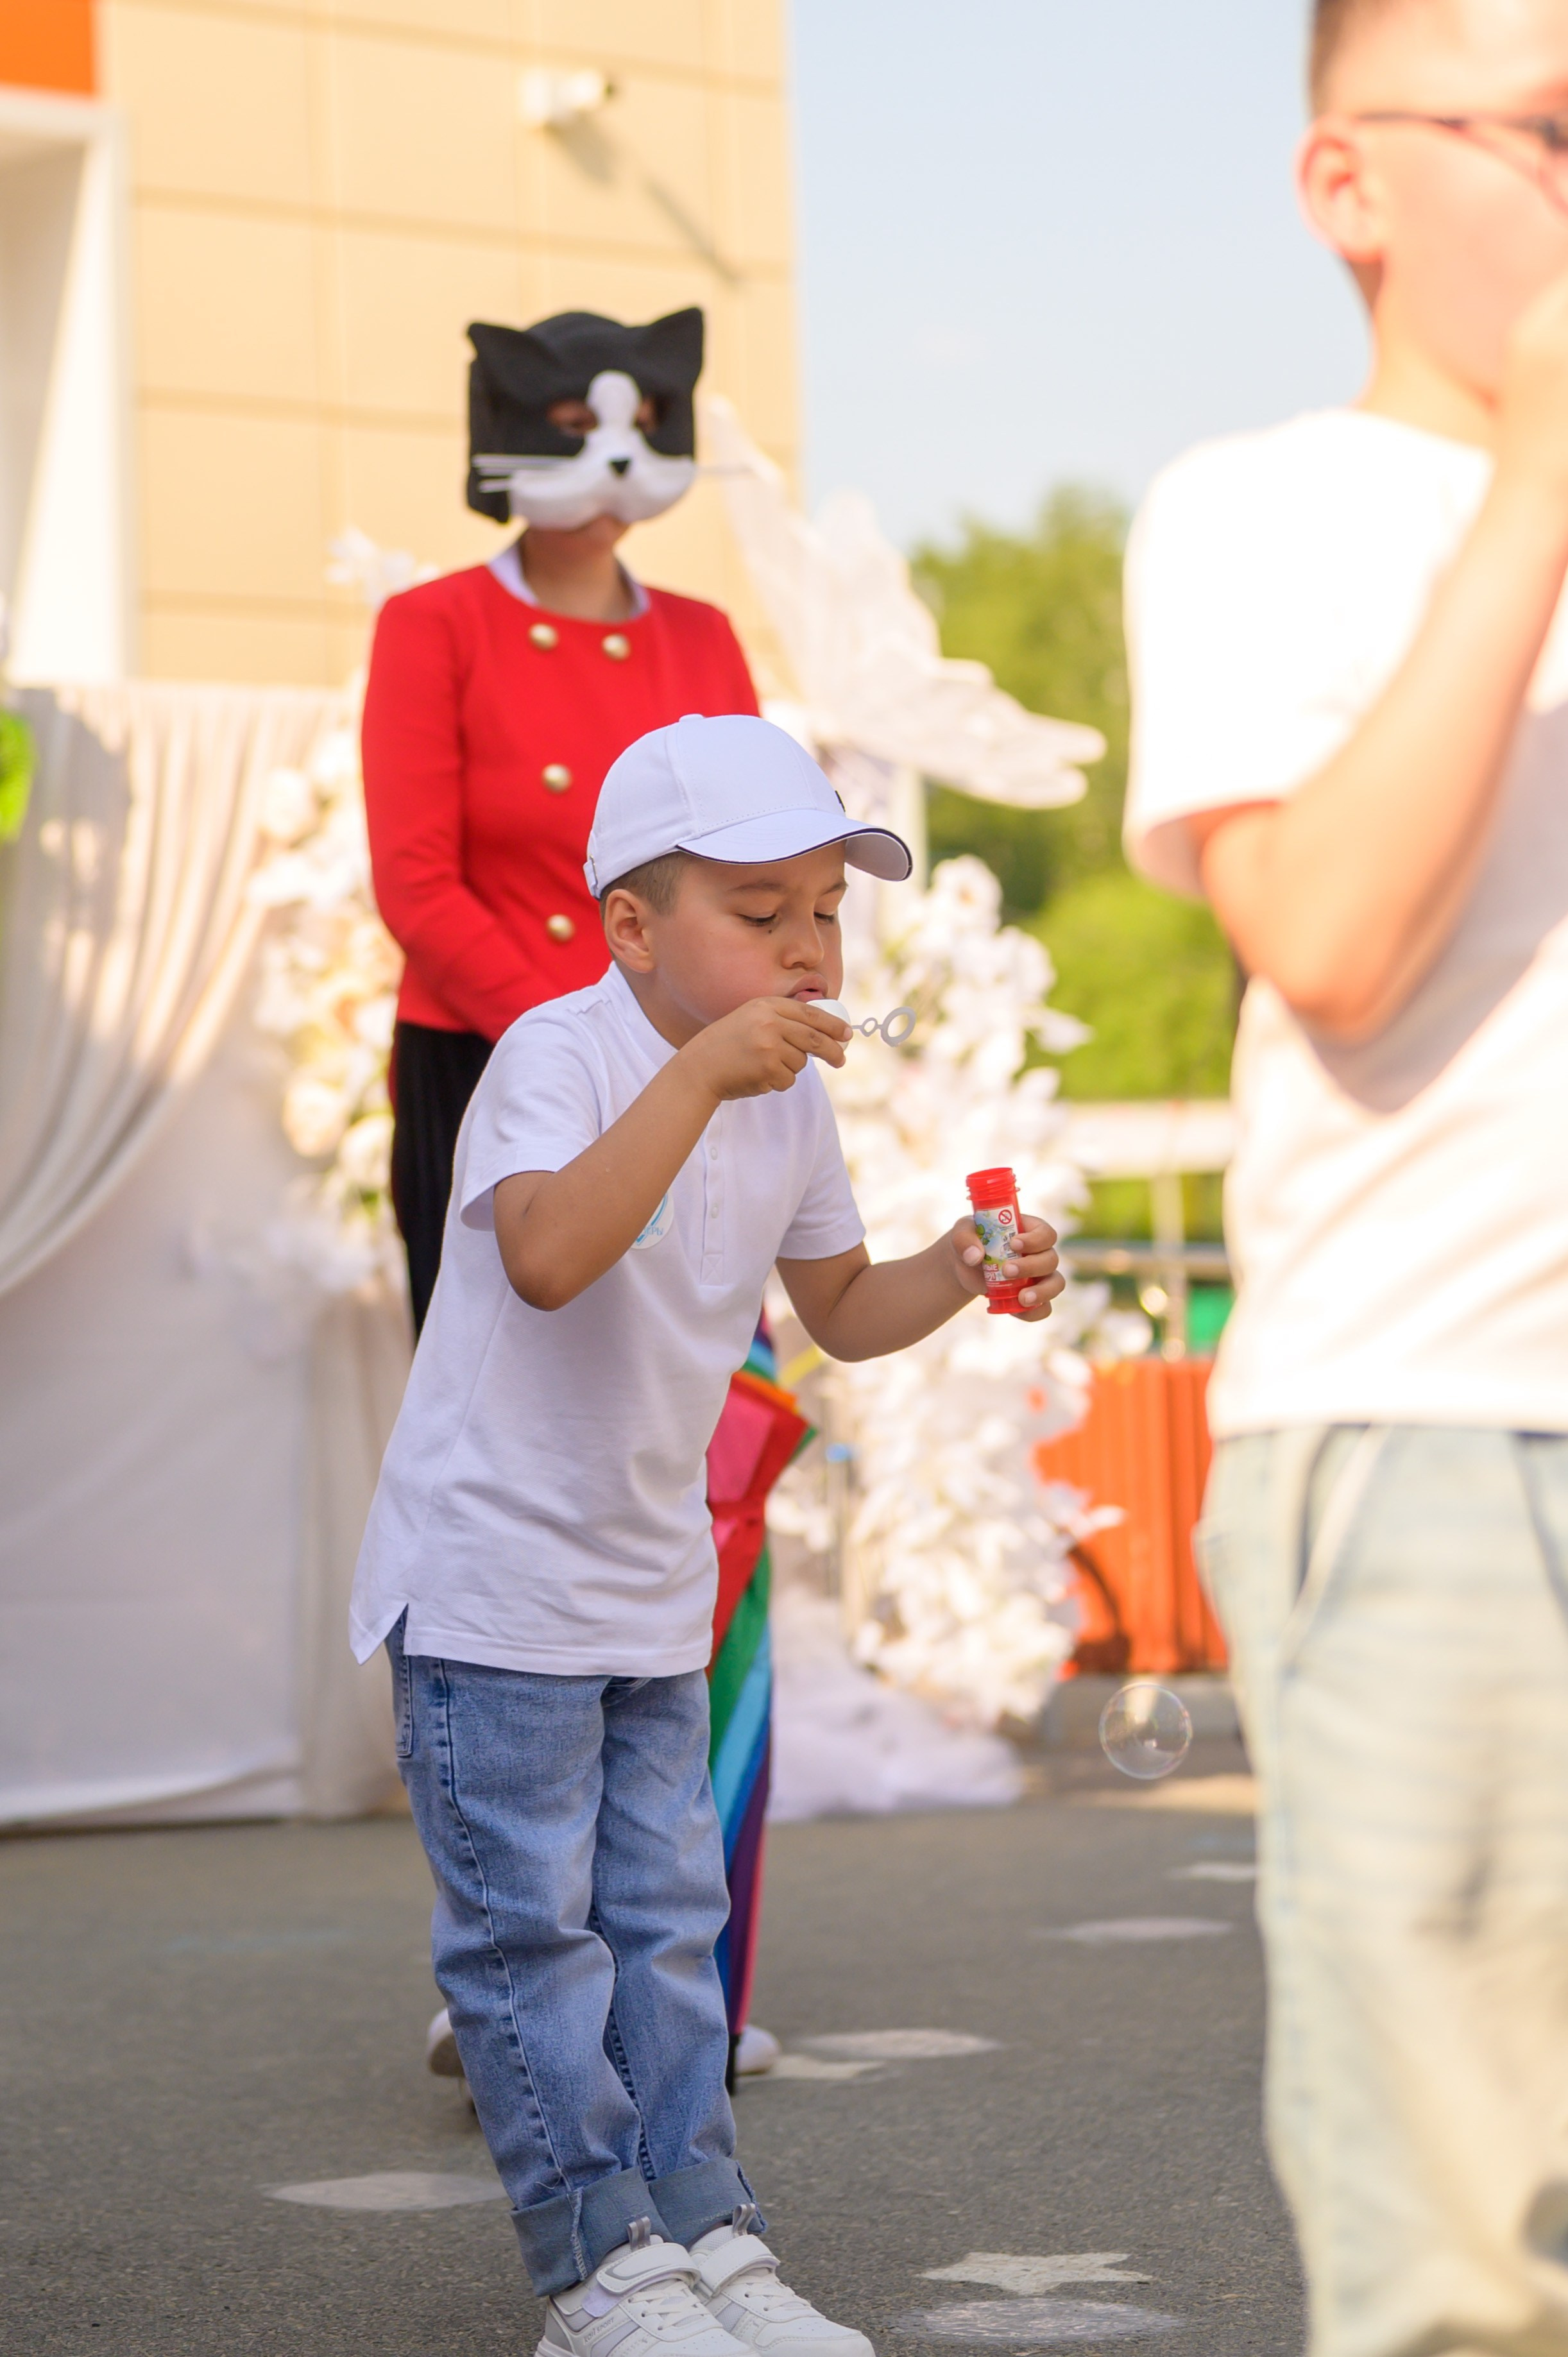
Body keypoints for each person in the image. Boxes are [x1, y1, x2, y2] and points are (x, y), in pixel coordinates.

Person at [349, 713, 1064, 2353]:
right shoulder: (559, 1056)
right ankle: (599, 2270)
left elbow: (841, 1308)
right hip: (491, 1588)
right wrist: (694, 1077)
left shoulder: (784, 1101)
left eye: (825, 910)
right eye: (759, 912)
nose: (808, 948)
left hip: (652, 1587)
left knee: (671, 1936)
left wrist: (964, 1266)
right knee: (533, 1947)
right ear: (630, 926)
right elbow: (546, 1256)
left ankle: (707, 2237)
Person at [1123, 3, 1568, 2351]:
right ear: (1348, 185)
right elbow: (1330, 939)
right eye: (1554, 127)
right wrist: (1539, 486)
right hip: (1448, 1438)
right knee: (1472, 2273)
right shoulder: (1269, 508)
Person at [362, 307, 783, 2080]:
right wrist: (582, 1045)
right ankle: (509, 1956)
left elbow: (762, 868)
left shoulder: (702, 636)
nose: (610, 458)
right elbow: (416, 880)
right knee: (515, 1491)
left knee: (698, 1473)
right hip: (498, 1075)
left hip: (697, 1077)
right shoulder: (431, 625)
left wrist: (707, 1043)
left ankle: (681, 1953)